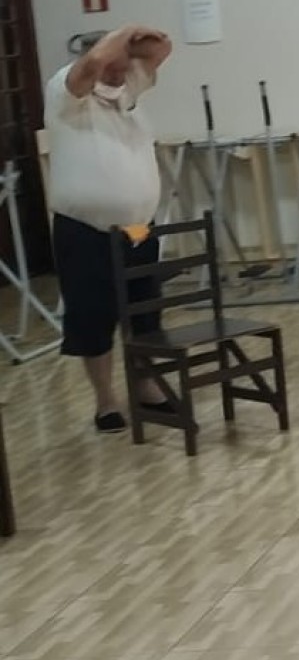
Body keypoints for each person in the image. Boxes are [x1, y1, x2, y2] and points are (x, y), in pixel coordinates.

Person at [44, 24, 173, 432]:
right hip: (86, 230)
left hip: (136, 230)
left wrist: (136, 40)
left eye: (125, 67)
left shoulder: (125, 92)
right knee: (92, 317)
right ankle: (105, 402)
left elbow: (161, 49)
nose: (121, 74)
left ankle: (146, 386)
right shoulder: (66, 93)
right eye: (114, 67)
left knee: (145, 312)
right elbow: (96, 62)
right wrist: (123, 32)